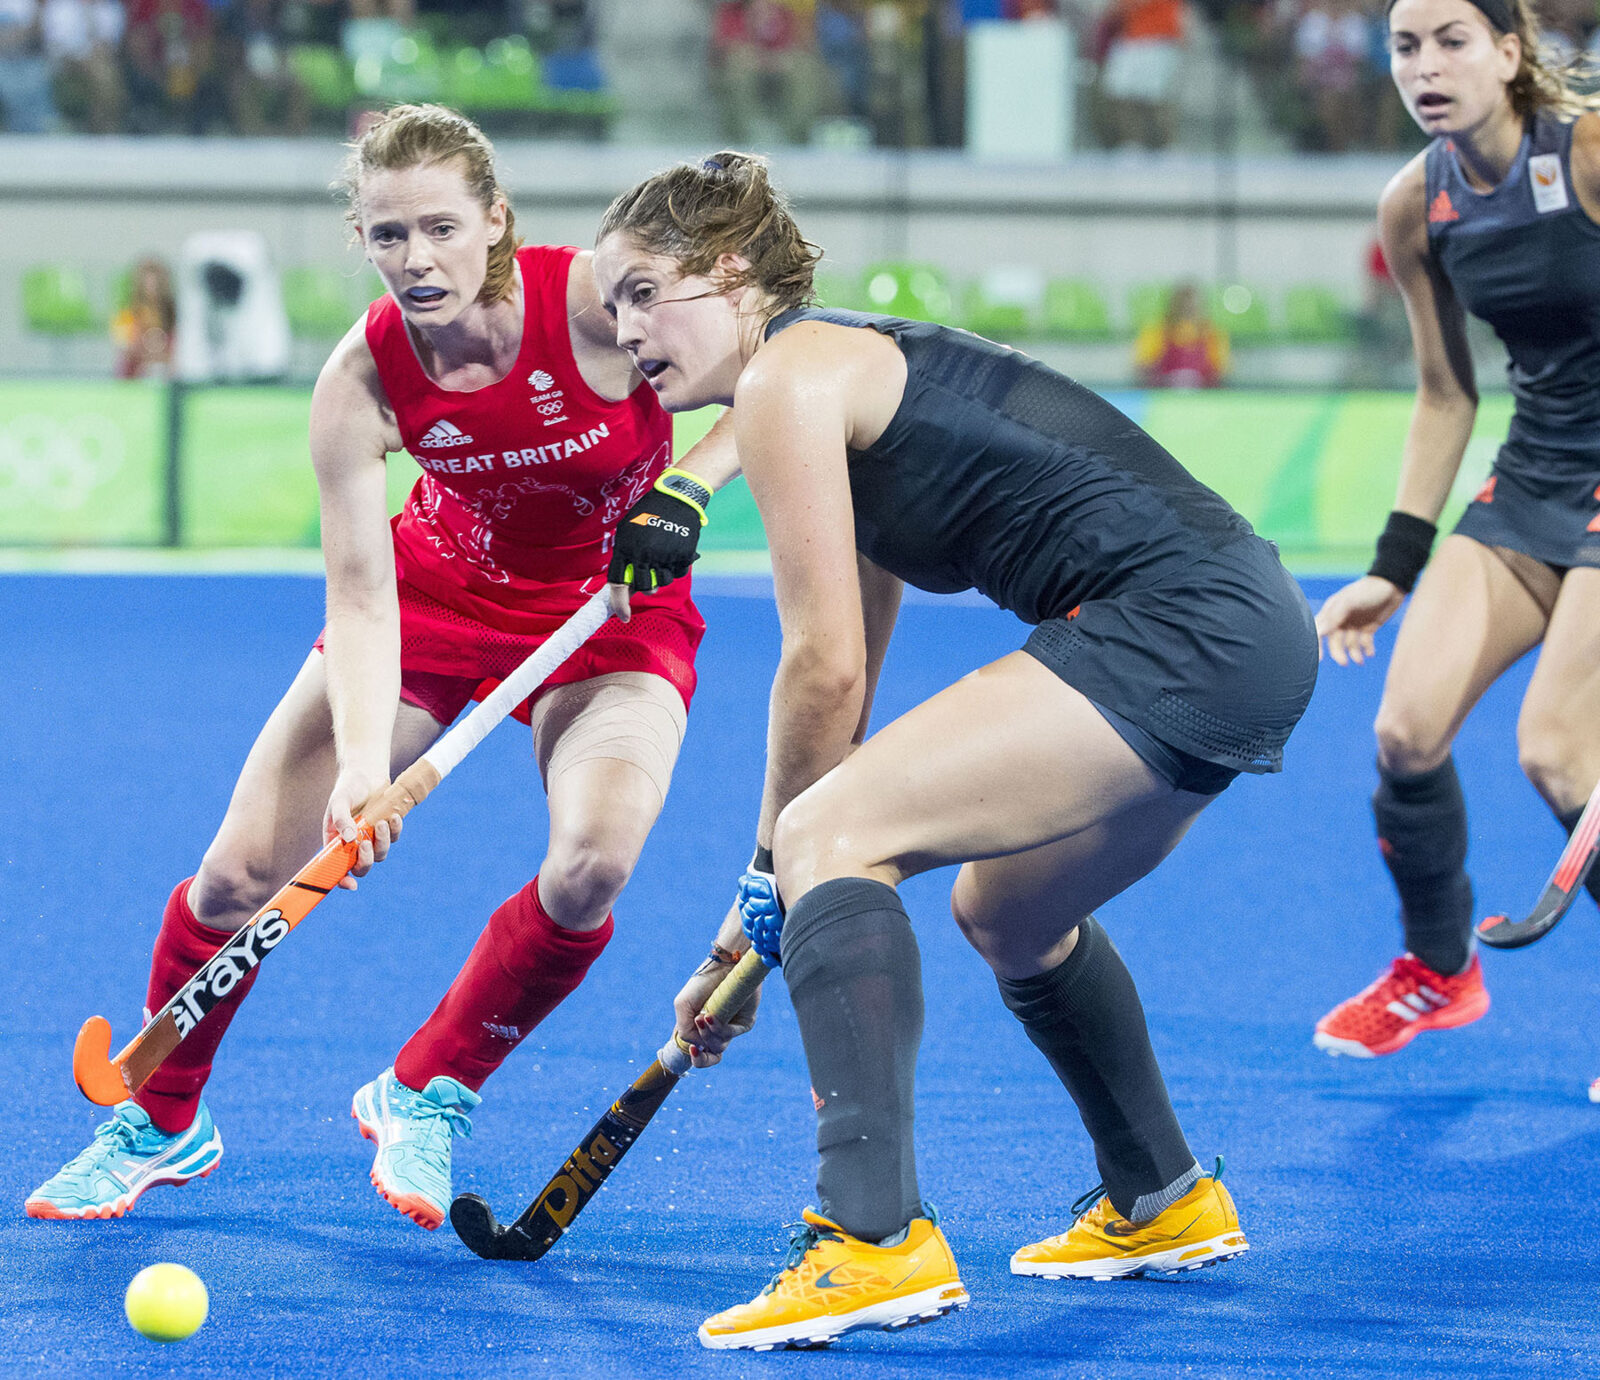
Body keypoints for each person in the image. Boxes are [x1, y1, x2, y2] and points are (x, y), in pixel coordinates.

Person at [593, 151, 1318, 1351]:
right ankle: (1162, 1196)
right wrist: (765, 914)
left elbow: (819, 673)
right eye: (610, 306)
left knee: (828, 832)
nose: (624, 331)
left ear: (729, 273)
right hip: (1248, 629)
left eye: (641, 293)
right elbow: (854, 676)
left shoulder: (784, 380)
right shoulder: (832, 378)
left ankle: (870, 1240)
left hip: (1176, 623)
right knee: (1007, 911)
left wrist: (772, 871)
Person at [26, 104, 738, 1229]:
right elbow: (360, 596)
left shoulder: (598, 302)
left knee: (592, 866)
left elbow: (769, 364)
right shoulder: (361, 379)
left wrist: (691, 483)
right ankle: (159, 1120)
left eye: (441, 228)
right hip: (433, 601)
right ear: (361, 239)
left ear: (495, 219)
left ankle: (430, 1084)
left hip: (610, 612)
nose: (418, 259)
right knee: (237, 876)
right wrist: (364, 767)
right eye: (389, 234)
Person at [1312, 0, 1600, 1062]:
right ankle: (1439, 970)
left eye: (1452, 41)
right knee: (1405, 732)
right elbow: (1444, 393)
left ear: (1509, 54)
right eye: (1405, 46)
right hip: (1531, 482)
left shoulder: (1586, 154)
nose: (1425, 67)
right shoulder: (1413, 204)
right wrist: (1394, 566)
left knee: (1557, 754)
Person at [1132, 281, 1230, 387]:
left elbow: (1221, 369)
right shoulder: (1157, 331)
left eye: (1191, 305)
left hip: (1203, 392)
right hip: (1164, 391)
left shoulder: (1211, 333)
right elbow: (1143, 365)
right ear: (1173, 306)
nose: (1187, 308)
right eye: (1183, 305)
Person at [111, 257, 175, 379]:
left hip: (165, 376)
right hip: (133, 378)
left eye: (156, 282)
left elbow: (176, 351)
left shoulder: (172, 315)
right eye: (148, 282)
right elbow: (124, 347)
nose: (152, 287)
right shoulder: (127, 314)